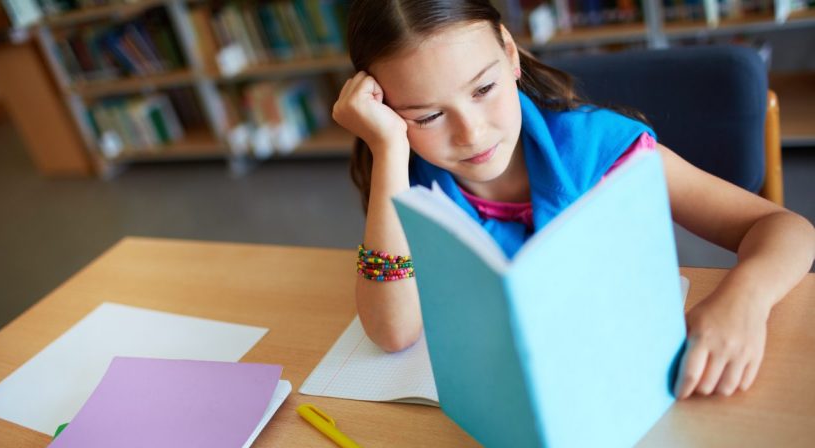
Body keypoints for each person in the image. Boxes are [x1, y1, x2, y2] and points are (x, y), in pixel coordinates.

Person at [331, 0, 815, 399]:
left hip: (642, 391)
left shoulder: (603, 151)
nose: (471, 132)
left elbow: (787, 229)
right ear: (384, 111)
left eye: (483, 88)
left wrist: (745, 301)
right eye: (428, 116)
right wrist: (389, 151)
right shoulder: (409, 180)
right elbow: (392, 333)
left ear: (511, 55)